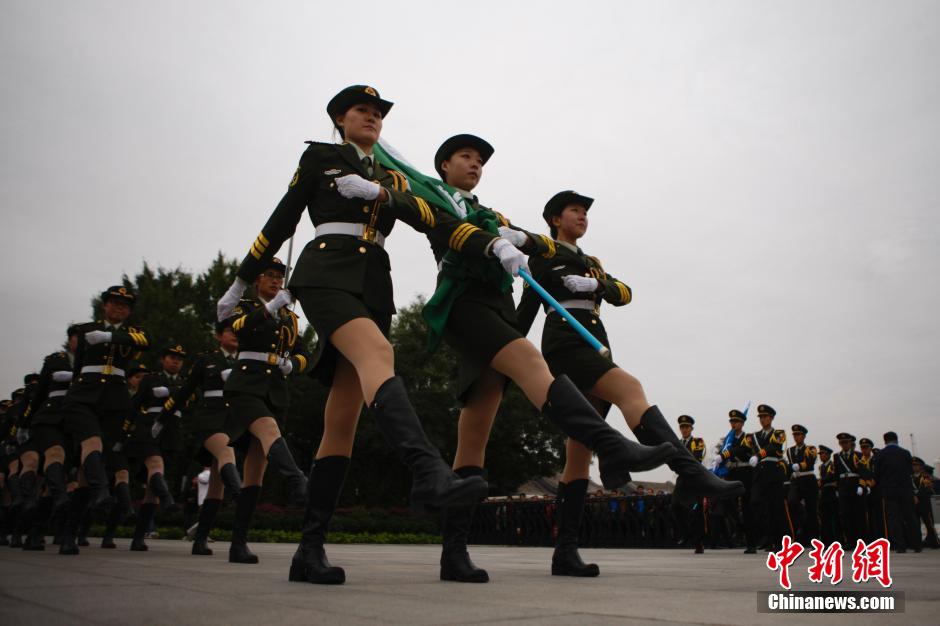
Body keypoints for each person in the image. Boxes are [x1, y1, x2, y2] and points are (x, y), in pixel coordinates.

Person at [216, 85, 519, 583]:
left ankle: (307, 552)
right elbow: (282, 218)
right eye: (363, 111)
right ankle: (427, 470)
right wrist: (241, 280)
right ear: (340, 118)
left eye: (378, 114)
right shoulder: (321, 157)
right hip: (326, 270)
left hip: (374, 283)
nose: (372, 118)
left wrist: (388, 194)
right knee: (378, 353)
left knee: (342, 421)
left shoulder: (389, 174)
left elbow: (426, 215)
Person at [420, 148, 692, 582]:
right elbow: (460, 239)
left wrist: (530, 249)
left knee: (473, 439)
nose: (475, 165)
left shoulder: (493, 213)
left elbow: (610, 288)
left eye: (480, 161)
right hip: (469, 312)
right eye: (465, 157)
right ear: (443, 166)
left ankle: (456, 555)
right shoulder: (433, 197)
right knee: (488, 426)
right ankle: (617, 448)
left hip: (496, 315)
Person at [512, 188, 743, 575]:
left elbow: (625, 293)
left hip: (596, 344)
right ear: (555, 219)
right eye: (575, 210)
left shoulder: (592, 261)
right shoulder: (541, 255)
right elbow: (527, 310)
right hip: (566, 341)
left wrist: (597, 286)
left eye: (586, 211)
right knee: (631, 389)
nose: (583, 216)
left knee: (578, 456)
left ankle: (565, 552)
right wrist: (508, 356)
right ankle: (691, 474)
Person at [216, 257, 310, 564]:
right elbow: (238, 328)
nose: (275, 282)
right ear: (258, 279)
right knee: (269, 430)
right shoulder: (245, 305)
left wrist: (291, 365)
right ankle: (297, 479)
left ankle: (238, 543)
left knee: (255, 470)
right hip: (246, 384)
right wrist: (270, 308)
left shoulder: (290, 318)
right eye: (269, 276)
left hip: (273, 389)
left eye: (279, 278)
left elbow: (303, 353)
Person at [60, 285, 150, 555]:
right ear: (105, 306)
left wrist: (111, 335)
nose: (119, 307)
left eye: (124, 304)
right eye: (114, 302)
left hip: (114, 400)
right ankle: (101, 492)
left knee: (88, 470)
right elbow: (78, 366)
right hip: (85, 394)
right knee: (92, 443)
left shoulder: (132, 333)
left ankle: (71, 531)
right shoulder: (86, 329)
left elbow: (146, 341)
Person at [163, 307, 243, 556]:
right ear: (219, 335)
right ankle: (239, 493)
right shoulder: (206, 359)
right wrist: (163, 416)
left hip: (234, 421)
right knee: (226, 454)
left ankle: (200, 539)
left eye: (238, 331)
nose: (235, 335)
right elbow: (185, 390)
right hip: (209, 419)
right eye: (230, 331)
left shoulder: (246, 360)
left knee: (216, 486)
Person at [119, 344, 188, 551]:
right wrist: (124, 432)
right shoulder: (150, 379)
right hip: (149, 426)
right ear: (163, 359)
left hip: (173, 431)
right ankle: (168, 499)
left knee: (151, 490)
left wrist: (170, 391)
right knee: (155, 464)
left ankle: (138, 537)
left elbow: (194, 397)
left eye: (179, 358)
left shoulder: (186, 382)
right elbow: (136, 404)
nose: (175, 361)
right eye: (172, 357)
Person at [18, 327, 82, 550]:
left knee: (70, 478)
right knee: (54, 457)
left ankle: (48, 532)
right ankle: (56, 499)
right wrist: (24, 423)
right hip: (52, 417)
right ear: (70, 340)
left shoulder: (97, 362)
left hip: (78, 422)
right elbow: (39, 393)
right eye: (77, 338)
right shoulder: (58, 360)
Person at [741, 404, 793, 553]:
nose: (763, 419)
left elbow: (772, 447)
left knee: (776, 509)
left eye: (765, 417)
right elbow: (741, 448)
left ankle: (780, 543)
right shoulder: (754, 436)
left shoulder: (779, 433)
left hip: (773, 473)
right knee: (756, 503)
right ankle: (767, 538)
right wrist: (723, 455)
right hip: (759, 474)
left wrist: (757, 455)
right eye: (761, 417)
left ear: (771, 418)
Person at [873, 431, 920, 552]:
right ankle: (916, 544)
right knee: (910, 517)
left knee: (894, 518)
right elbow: (910, 471)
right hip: (905, 489)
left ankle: (900, 545)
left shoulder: (880, 455)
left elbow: (877, 473)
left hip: (889, 490)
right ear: (896, 439)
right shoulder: (905, 453)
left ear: (885, 441)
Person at [833, 432, 870, 547]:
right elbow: (837, 473)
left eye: (846, 442)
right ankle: (850, 541)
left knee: (859, 514)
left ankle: (861, 541)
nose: (844, 445)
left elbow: (864, 471)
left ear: (850, 443)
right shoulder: (837, 456)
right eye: (842, 443)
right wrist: (837, 488)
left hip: (855, 486)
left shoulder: (858, 455)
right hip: (844, 486)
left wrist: (862, 486)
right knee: (845, 514)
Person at [784, 424, 818, 544]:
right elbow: (788, 466)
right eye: (794, 435)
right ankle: (799, 532)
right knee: (792, 501)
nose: (796, 437)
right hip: (796, 480)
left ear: (803, 436)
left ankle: (813, 538)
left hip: (808, 479)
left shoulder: (811, 449)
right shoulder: (789, 450)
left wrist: (800, 465)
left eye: (798, 435)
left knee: (812, 509)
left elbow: (810, 462)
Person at [858, 437, 884, 540]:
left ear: (870, 448)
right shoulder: (860, 462)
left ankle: (881, 537)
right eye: (862, 448)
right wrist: (862, 485)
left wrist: (870, 484)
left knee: (878, 515)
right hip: (864, 491)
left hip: (876, 490)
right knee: (867, 515)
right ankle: (870, 537)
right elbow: (860, 475)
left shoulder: (876, 460)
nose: (864, 450)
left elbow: (877, 475)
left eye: (866, 447)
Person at [912, 456, 940, 549]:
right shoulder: (910, 477)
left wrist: (917, 496)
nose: (914, 467)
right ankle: (917, 542)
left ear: (921, 466)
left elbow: (926, 490)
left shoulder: (925, 477)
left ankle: (935, 542)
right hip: (914, 504)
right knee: (915, 525)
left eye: (916, 465)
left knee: (929, 524)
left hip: (924, 504)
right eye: (913, 465)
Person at [817, 445, 841, 546]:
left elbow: (830, 477)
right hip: (824, 493)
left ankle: (835, 540)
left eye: (823, 454)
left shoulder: (832, 465)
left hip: (831, 493)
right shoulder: (821, 466)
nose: (821, 456)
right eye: (820, 454)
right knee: (824, 518)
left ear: (828, 455)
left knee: (834, 518)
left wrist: (821, 481)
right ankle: (826, 540)